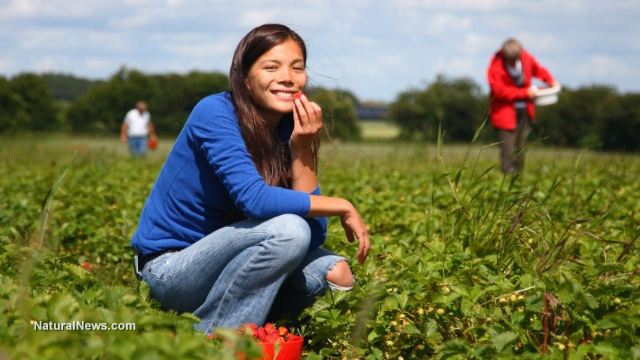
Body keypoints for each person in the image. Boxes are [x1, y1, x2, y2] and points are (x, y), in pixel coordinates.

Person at [130, 24, 370, 334]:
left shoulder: (288, 128)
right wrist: (342, 205)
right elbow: (254, 199)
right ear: (245, 77)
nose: (287, 77)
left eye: (297, 67)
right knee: (288, 231)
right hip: (170, 269)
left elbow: (314, 235)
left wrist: (301, 147)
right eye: (272, 67)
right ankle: (219, 341)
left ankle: (241, 323)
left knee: (336, 274)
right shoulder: (215, 112)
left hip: (235, 263)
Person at [487, 38, 560, 174]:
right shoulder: (495, 66)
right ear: (504, 55)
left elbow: (538, 70)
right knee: (508, 152)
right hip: (504, 115)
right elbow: (500, 92)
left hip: (524, 111)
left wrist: (550, 81)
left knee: (521, 149)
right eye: (510, 59)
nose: (513, 62)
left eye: (516, 59)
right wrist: (525, 93)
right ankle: (508, 180)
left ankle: (518, 178)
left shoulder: (526, 58)